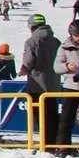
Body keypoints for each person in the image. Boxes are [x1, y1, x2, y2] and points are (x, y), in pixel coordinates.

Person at [20, 13, 61, 150]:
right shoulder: (56, 41)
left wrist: (24, 69)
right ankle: (54, 143)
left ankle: (45, 145)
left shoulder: (31, 41)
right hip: (54, 84)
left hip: (38, 84)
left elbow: (29, 61)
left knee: (40, 116)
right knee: (52, 115)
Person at [53, 19, 79, 156]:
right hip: (70, 87)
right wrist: (67, 67)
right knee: (66, 119)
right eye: (77, 35)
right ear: (71, 35)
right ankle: (63, 148)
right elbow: (56, 67)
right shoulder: (64, 47)